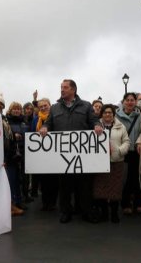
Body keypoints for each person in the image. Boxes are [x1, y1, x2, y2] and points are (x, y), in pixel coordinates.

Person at [40, 79, 103, 223]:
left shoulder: (86, 106)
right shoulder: (55, 108)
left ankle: (86, 211)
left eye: (65, 87)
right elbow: (48, 123)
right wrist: (45, 128)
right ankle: (65, 212)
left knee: (84, 185)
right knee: (64, 185)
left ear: (73, 90)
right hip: (63, 156)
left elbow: (94, 120)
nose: (62, 90)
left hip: (83, 156)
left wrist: (97, 125)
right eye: (61, 87)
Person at [93, 104, 130, 223]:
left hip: (116, 162)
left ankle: (114, 214)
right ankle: (104, 213)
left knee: (115, 189)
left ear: (113, 114)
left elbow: (126, 141)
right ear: (101, 114)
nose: (107, 114)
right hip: (100, 163)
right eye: (105, 112)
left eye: (110, 112)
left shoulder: (121, 127)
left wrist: (120, 151)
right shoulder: (95, 126)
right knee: (101, 189)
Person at [0, 94, 24, 216]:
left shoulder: (4, 119)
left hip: (7, 155)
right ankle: (7, 207)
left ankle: (11, 205)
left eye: (0, 104)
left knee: (10, 181)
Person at [116, 92, 141, 215]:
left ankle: (138, 203)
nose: (130, 102)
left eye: (132, 100)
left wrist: (139, 142)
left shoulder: (140, 117)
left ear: (135, 102)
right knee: (124, 178)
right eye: (127, 100)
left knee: (136, 178)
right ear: (123, 102)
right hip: (122, 151)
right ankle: (125, 203)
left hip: (135, 151)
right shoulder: (116, 117)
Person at [32, 98, 58, 211]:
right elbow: (31, 133)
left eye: (45, 105)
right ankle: (45, 202)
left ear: (50, 105)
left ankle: (52, 202)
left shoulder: (56, 117)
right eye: (41, 106)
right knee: (43, 180)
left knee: (53, 180)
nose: (43, 108)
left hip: (54, 153)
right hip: (41, 154)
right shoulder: (35, 119)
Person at [6, 102, 33, 204]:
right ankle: (15, 200)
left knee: (24, 177)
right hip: (12, 153)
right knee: (14, 178)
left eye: (18, 109)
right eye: (14, 109)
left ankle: (24, 197)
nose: (16, 111)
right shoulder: (6, 121)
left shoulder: (25, 121)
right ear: (10, 110)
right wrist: (13, 135)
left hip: (24, 153)